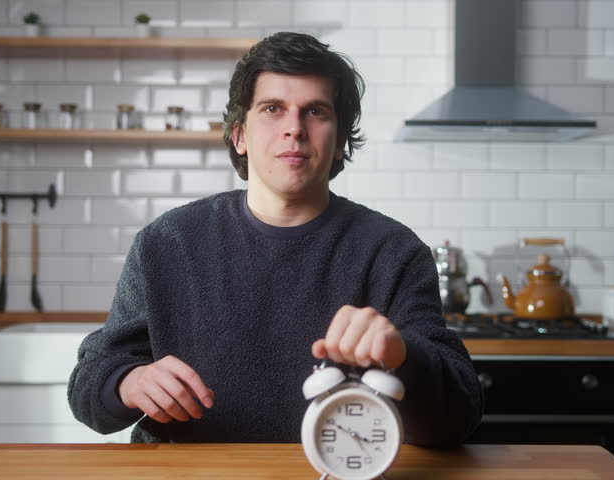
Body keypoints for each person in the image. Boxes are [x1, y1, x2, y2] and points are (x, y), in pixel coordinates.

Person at [68, 31, 482, 447]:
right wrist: (129, 381)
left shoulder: (393, 252)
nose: (294, 129)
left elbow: (460, 416)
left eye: (316, 111)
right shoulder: (166, 243)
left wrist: (403, 355)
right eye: (272, 109)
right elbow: (88, 384)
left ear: (340, 142)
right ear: (240, 136)